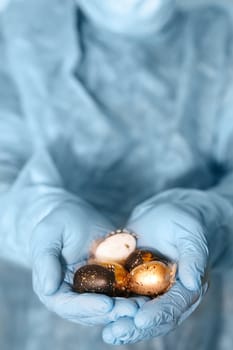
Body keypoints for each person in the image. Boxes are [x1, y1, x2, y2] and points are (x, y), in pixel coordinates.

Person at [0, 0, 233, 346]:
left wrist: (207, 218)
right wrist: (39, 216)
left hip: (189, 328)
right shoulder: (22, 28)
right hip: (40, 327)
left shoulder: (221, 35)